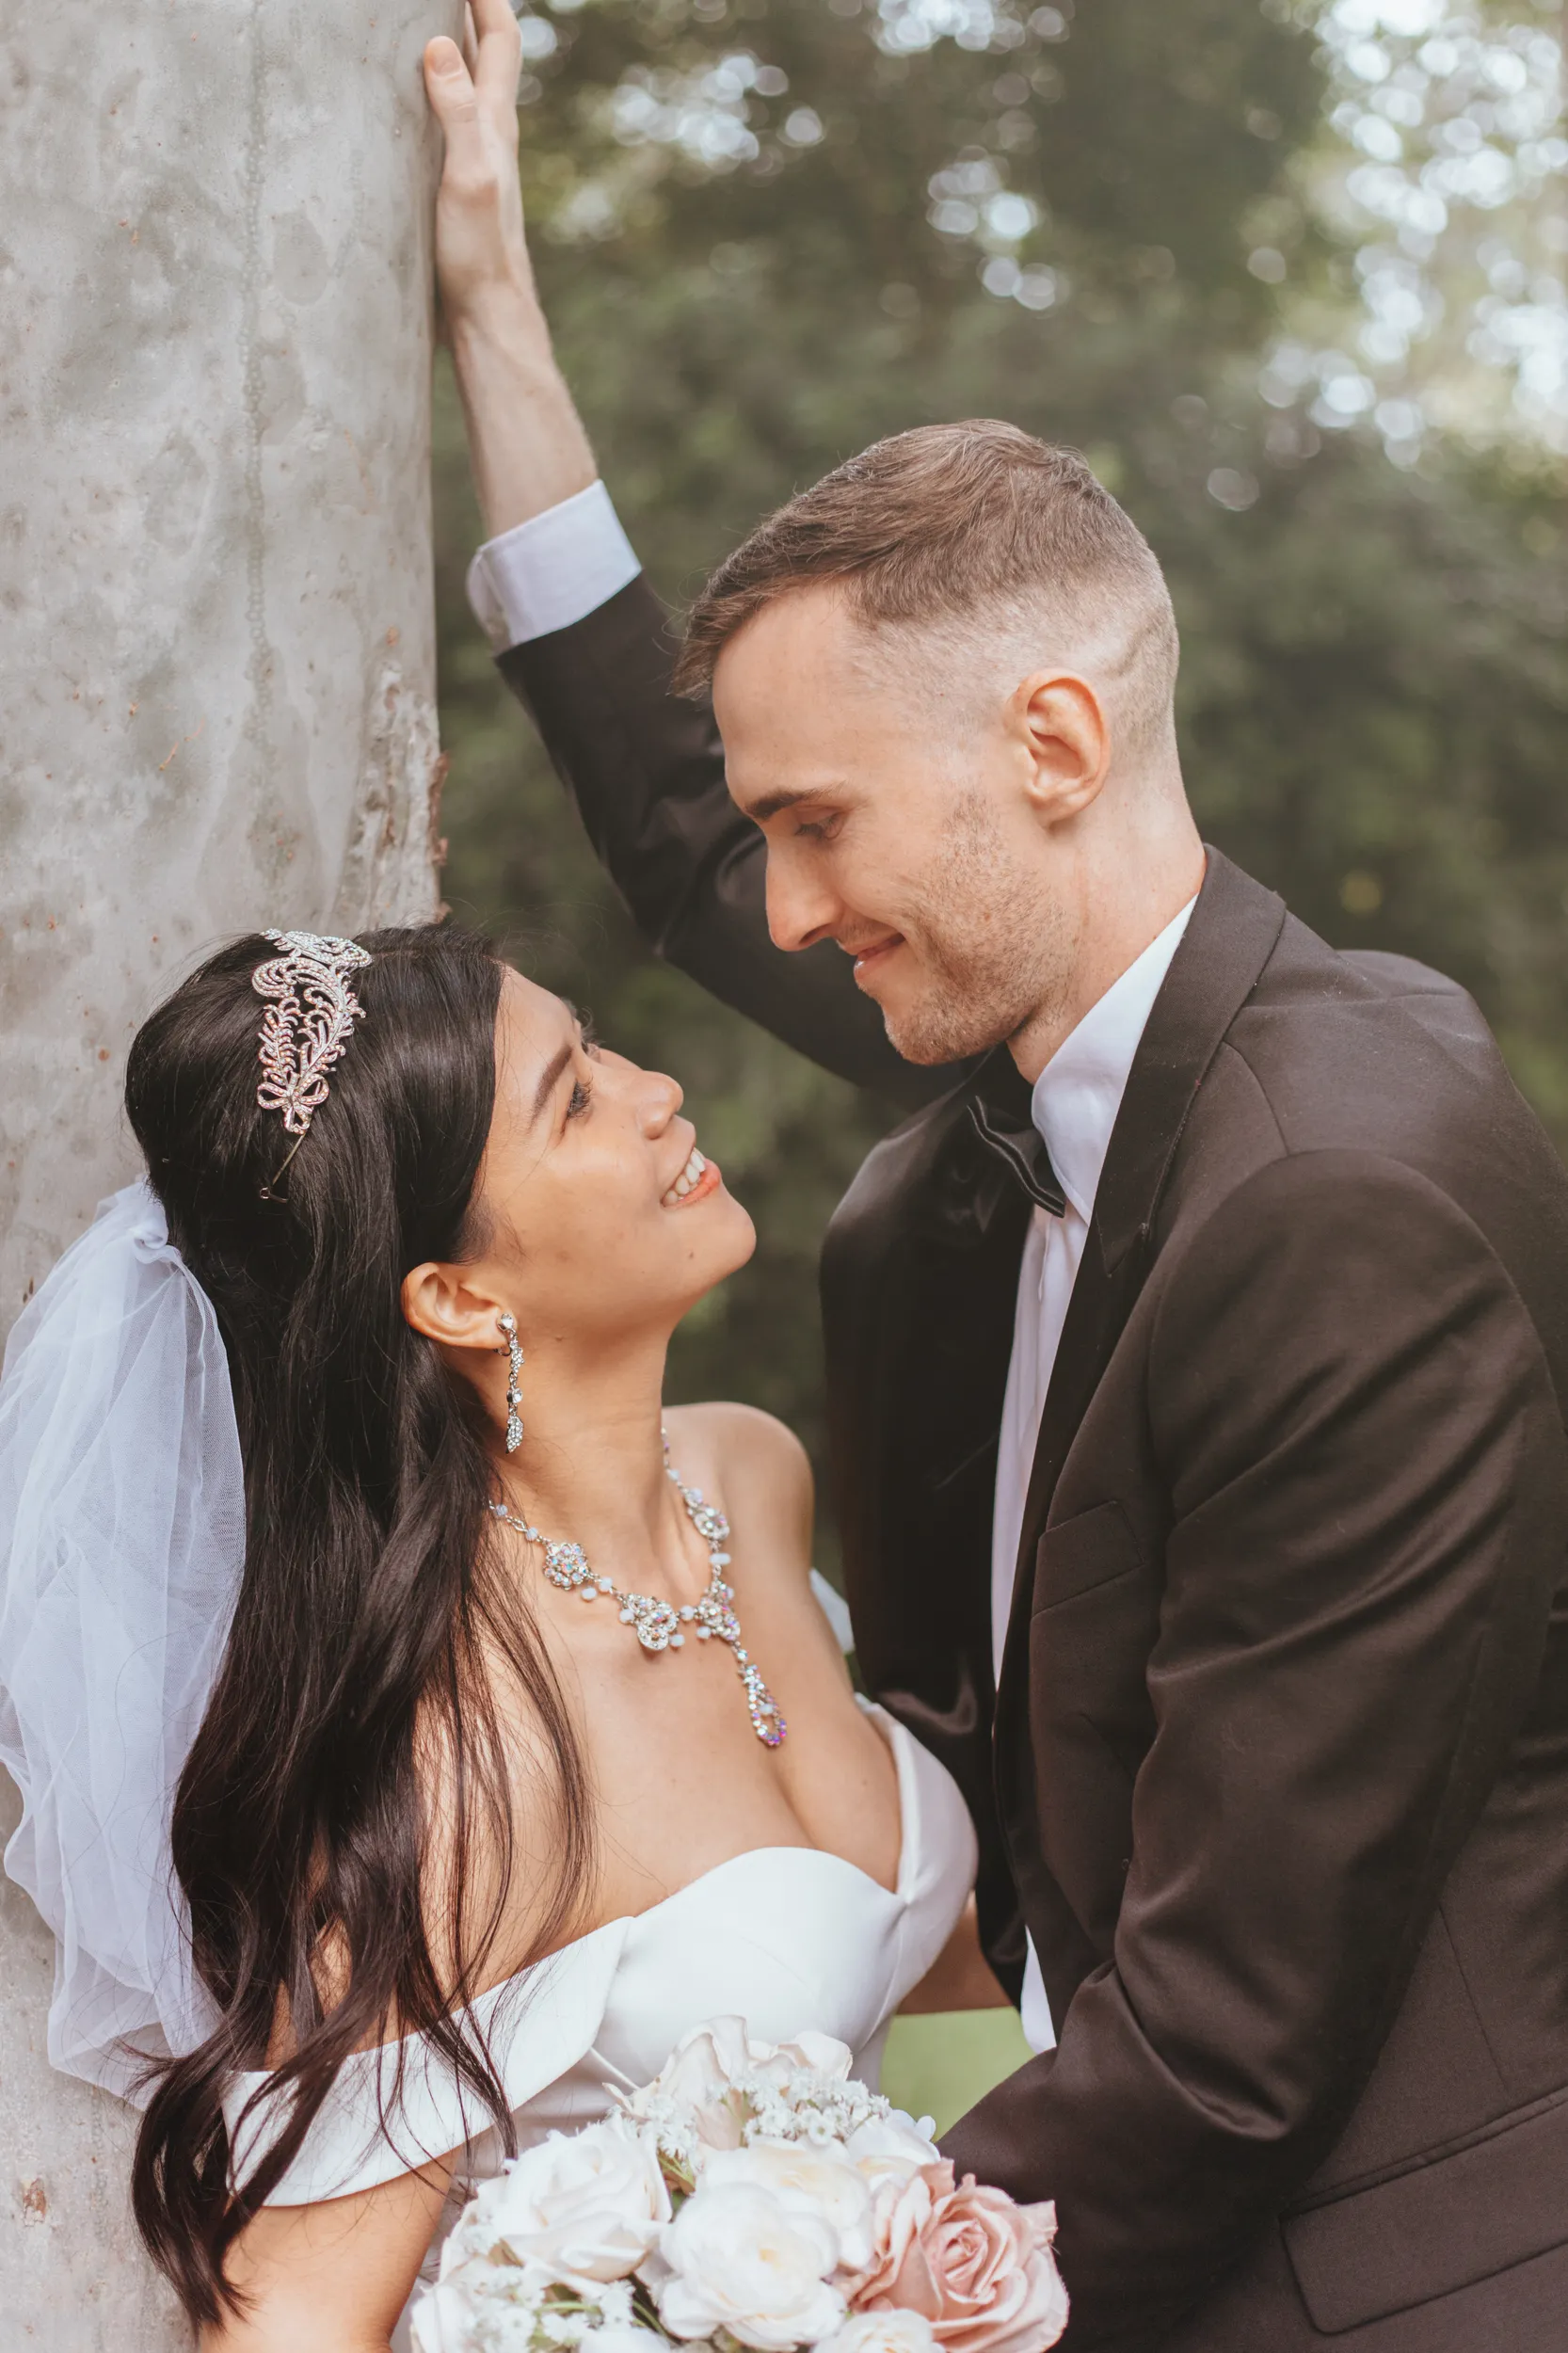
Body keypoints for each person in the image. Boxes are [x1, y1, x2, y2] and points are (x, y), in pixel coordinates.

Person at [420, 6, 1568, 2348]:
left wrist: (716, 2293)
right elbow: (676, 831)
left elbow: (1232, 2035)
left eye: (814, 824)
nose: (781, 911)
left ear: (1050, 743)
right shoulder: (982, 1117)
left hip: (1386, 2270)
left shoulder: (1340, 1193)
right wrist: (489, 310)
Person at [0, 924, 986, 2351]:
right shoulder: (462, 1768)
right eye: (572, 1097)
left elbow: (939, 1970)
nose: (653, 1090)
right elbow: (288, 2329)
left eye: (596, 1047)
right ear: (454, 1298)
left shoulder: (745, 1477)